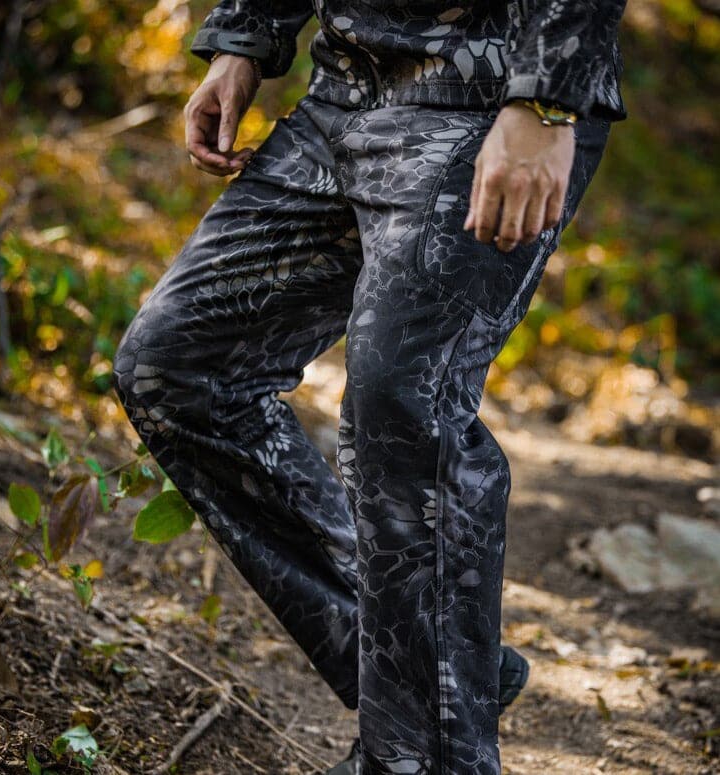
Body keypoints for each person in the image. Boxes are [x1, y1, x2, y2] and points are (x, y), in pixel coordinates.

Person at [113, 2, 628, 773]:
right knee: (179, 365)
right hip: (346, 88)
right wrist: (244, 41)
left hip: (490, 98)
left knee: (402, 406)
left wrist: (547, 98)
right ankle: (447, 675)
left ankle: (422, 752)